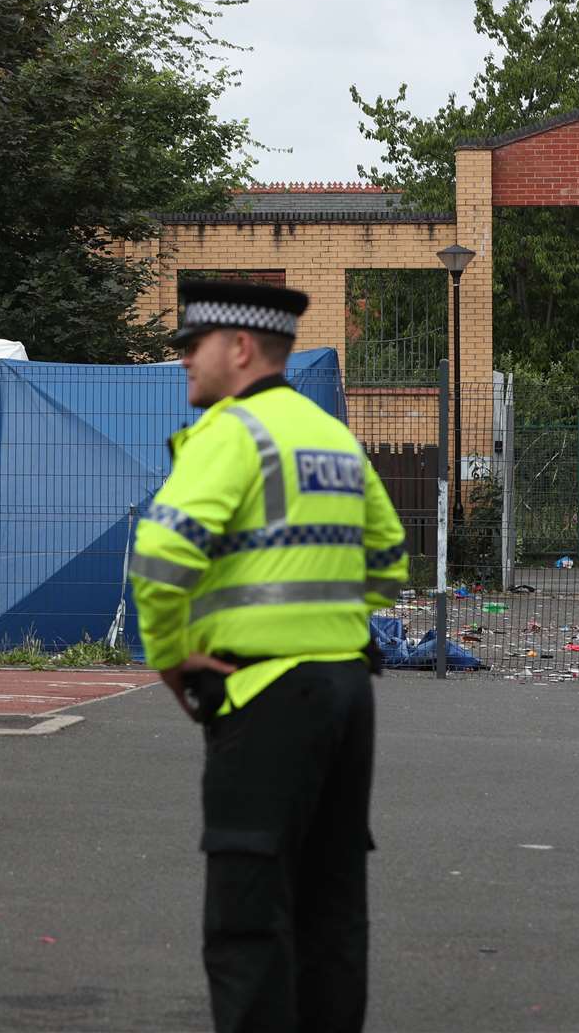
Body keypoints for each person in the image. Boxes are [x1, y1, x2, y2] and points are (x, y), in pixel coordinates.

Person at [130, 278, 408, 1033]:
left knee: (249, 918)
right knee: (332, 913)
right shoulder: (331, 437)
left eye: (195, 345)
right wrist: (324, 623)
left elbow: (158, 557)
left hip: (263, 698)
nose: (185, 358)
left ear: (241, 349)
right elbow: (388, 559)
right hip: (350, 695)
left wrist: (173, 656)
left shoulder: (232, 432)